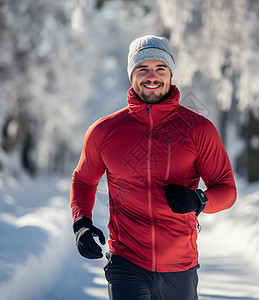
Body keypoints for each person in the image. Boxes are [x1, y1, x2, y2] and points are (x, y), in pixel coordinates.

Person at [70, 35, 237, 300]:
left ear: (170, 74)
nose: (152, 77)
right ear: (131, 75)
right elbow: (84, 180)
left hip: (180, 266)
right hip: (125, 263)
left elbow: (227, 190)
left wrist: (199, 199)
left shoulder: (198, 129)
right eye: (142, 69)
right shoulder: (104, 131)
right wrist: (81, 222)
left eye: (160, 69)